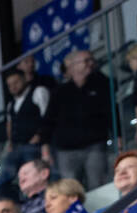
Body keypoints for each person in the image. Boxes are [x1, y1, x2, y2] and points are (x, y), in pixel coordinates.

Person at [40, 50, 114, 189]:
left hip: (94, 146)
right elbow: (48, 121)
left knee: (97, 185)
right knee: (71, 189)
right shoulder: (60, 92)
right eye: (85, 61)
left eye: (91, 60)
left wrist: (118, 136)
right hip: (66, 150)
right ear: (72, 66)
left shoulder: (101, 83)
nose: (90, 64)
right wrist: (45, 150)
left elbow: (111, 111)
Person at [0, 68, 48, 192]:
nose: (13, 87)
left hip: (34, 146)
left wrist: (39, 134)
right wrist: (10, 142)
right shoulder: (11, 104)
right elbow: (10, 124)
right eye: (10, 85)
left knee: (34, 177)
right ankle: (15, 201)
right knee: (2, 181)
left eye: (16, 82)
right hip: (16, 147)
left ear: (24, 79)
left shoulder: (38, 92)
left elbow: (47, 115)